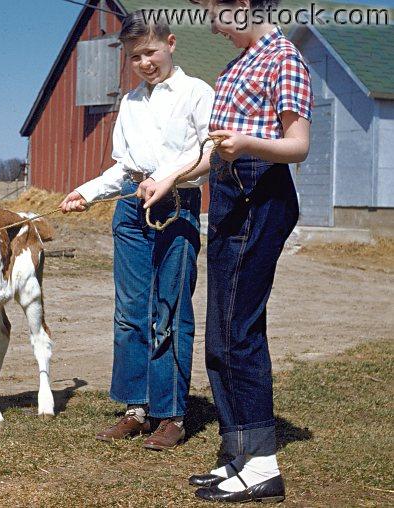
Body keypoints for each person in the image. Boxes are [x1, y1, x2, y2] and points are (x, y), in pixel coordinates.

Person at [140, 0, 312, 502]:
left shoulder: (284, 57)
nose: (211, 26)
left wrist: (248, 144)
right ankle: (237, 453)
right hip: (232, 195)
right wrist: (169, 177)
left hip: (263, 196)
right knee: (220, 334)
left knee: (239, 331)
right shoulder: (235, 65)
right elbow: (214, 147)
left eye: (214, 13)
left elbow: (297, 144)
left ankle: (261, 467)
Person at [60, 10, 214, 451]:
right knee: (129, 312)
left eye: (150, 52)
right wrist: (85, 192)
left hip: (177, 205)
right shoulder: (129, 103)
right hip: (131, 209)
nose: (144, 62)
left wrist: (167, 177)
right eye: (134, 57)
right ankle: (136, 408)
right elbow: (123, 168)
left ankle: (171, 414)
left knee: (169, 311)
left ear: (170, 43)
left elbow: (209, 157)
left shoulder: (196, 93)